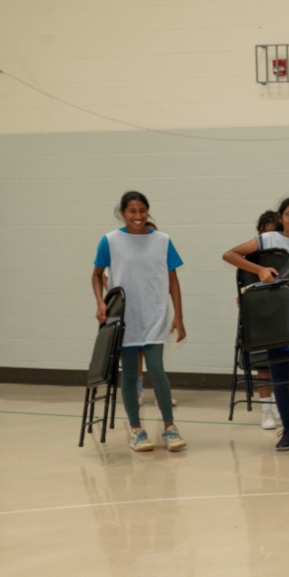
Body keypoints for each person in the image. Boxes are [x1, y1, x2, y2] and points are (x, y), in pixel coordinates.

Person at [221, 197, 289, 455]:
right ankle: (288, 431)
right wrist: (259, 270)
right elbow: (230, 254)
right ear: (282, 216)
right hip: (275, 321)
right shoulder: (266, 240)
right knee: (280, 378)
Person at [92, 191, 186, 453]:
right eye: (132, 211)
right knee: (132, 375)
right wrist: (101, 303)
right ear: (123, 212)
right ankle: (136, 430)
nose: (138, 216)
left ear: (148, 212)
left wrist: (178, 315)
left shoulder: (163, 241)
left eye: (142, 210)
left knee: (156, 370)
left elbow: (173, 280)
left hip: (155, 315)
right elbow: (96, 275)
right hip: (124, 318)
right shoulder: (109, 241)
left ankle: (170, 427)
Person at [250, 209, 283, 430]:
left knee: (280, 364)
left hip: (281, 314)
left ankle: (281, 404)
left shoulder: (285, 255)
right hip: (260, 315)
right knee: (263, 366)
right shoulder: (253, 259)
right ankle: (266, 410)